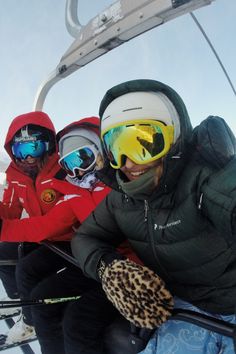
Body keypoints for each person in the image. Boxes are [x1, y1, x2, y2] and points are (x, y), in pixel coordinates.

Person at [71, 79, 236, 354]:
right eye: (117, 147)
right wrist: (110, 269)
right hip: (181, 309)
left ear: (174, 140)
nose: (128, 163)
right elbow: (87, 236)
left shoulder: (204, 180)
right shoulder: (121, 198)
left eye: (143, 144)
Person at [0, 111, 61, 321]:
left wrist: (6, 228)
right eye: (20, 149)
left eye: (34, 147)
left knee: (26, 269)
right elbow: (9, 211)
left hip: (66, 238)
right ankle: (18, 299)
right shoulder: (17, 176)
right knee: (2, 251)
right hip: (42, 237)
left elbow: (61, 221)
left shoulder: (61, 170)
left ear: (48, 145)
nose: (28, 157)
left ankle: (30, 319)